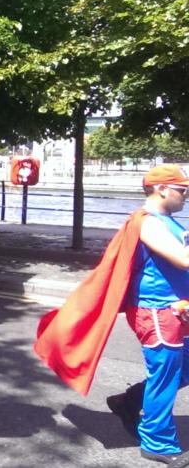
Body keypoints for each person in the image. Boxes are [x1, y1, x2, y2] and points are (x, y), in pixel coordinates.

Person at [36, 165, 189, 466]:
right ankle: (157, 441)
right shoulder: (148, 222)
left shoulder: (164, 221)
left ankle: (130, 400)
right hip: (158, 312)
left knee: (178, 369)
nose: (185, 195)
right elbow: (183, 259)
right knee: (165, 376)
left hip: (173, 310)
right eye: (181, 190)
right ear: (161, 189)